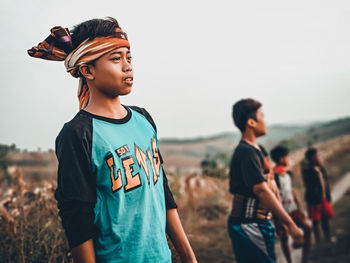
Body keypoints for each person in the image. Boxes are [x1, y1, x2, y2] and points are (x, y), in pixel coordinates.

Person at [28, 17, 197, 263]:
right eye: (116, 59)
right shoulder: (78, 133)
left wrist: (189, 257)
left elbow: (162, 192)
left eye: (129, 57)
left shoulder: (143, 119)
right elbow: (77, 217)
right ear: (87, 70)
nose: (128, 67)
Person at [227, 98, 303, 263]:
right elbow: (261, 189)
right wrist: (291, 225)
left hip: (262, 222)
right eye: (262, 115)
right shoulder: (246, 152)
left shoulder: (259, 150)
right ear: (251, 122)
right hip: (249, 224)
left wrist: (277, 219)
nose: (265, 121)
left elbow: (271, 185)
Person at [270, 145, 311, 263]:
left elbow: (292, 191)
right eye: (287, 156)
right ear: (281, 158)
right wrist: (275, 216)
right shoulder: (274, 176)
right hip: (281, 212)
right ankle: (289, 261)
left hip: (293, 209)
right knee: (284, 237)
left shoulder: (288, 173)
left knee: (307, 229)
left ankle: (305, 259)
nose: (288, 159)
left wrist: (300, 207)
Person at [301, 147, 334, 244]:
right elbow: (310, 187)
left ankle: (328, 238)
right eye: (316, 156)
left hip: (323, 198)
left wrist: (327, 196)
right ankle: (318, 241)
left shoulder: (321, 168)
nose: (318, 157)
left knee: (325, 219)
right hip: (314, 200)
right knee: (316, 221)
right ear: (311, 158)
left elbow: (325, 183)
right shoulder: (307, 171)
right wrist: (315, 202)